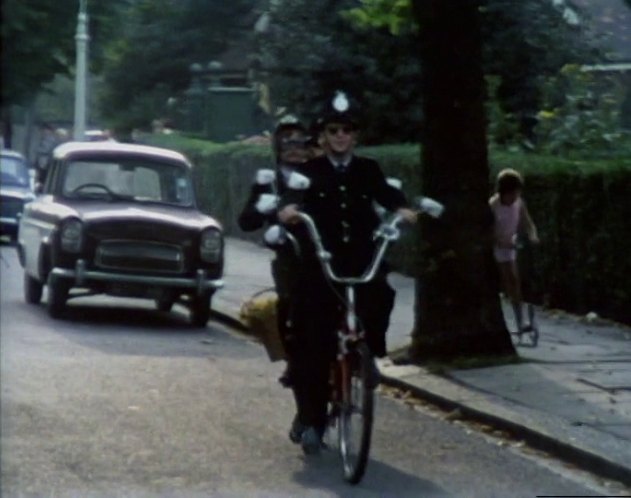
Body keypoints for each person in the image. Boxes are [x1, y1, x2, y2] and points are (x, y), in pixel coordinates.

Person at [278, 92, 417, 453]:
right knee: (314, 341)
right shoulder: (308, 172)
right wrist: (288, 211)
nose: (340, 136)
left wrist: (403, 209)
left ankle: (369, 354)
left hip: (359, 258)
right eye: (333, 130)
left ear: (355, 136)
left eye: (347, 130)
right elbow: (290, 200)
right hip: (321, 262)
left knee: (382, 295)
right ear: (323, 137)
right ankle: (312, 420)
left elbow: (387, 195)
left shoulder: (368, 169)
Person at [237, 117, 311, 387]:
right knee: (288, 306)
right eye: (286, 142)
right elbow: (246, 222)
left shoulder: (321, 175)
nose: (294, 148)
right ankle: (294, 361)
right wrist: (263, 209)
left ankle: (359, 354)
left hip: (324, 250)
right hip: (290, 253)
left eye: (300, 142)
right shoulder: (269, 181)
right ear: (277, 147)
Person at [489, 168, 540, 334]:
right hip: (496, 247)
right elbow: (488, 232)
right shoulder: (493, 205)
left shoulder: (518, 203)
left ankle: (520, 321)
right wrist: (501, 242)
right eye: (512, 194)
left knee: (514, 282)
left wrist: (532, 235)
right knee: (504, 281)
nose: (515, 198)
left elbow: (528, 222)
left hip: (509, 247)